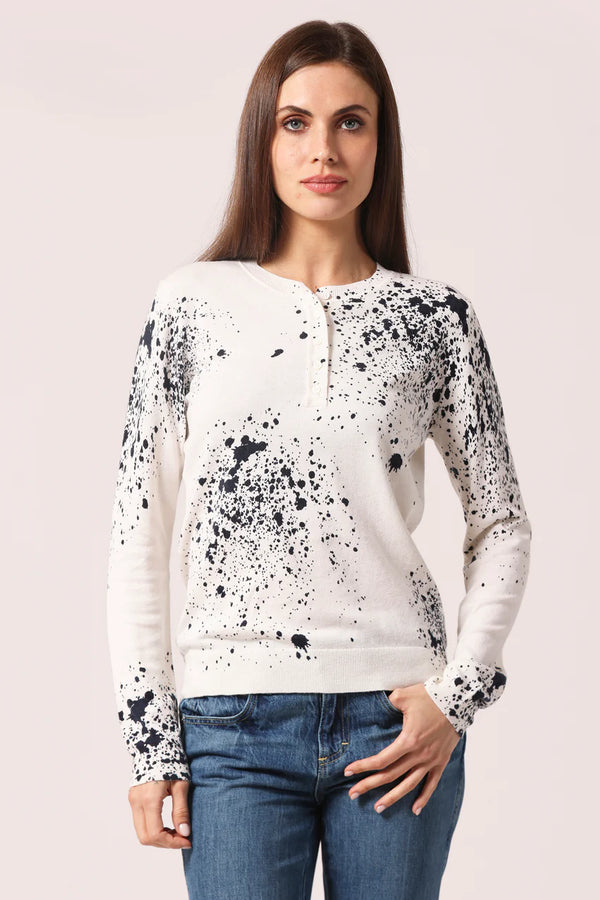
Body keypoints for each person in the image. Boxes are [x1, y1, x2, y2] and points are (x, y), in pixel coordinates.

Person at [106, 19, 532, 900]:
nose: (323, 149)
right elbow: (137, 534)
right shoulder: (191, 306)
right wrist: (151, 744)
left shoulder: (435, 320)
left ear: (382, 142)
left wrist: (458, 695)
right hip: (230, 728)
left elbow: (502, 523)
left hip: (396, 723)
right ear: (261, 139)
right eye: (295, 122)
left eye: (351, 122)